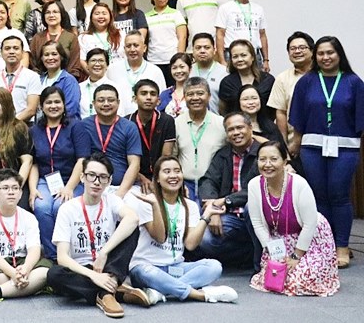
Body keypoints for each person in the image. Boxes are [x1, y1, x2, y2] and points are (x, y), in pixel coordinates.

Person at [290, 36, 364, 268]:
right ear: (315, 56)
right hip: (312, 147)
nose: (325, 57)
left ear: (339, 54)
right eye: (321, 53)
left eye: (330, 52)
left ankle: (342, 246)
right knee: (319, 197)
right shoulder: (307, 82)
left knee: (340, 196)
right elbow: (297, 117)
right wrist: (294, 145)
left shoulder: (353, 82)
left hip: (345, 147)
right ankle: (325, 244)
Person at [47, 153, 147, 318]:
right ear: (82, 177)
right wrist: (94, 276)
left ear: (109, 181)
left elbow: (133, 218)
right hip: (82, 270)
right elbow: (62, 258)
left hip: (108, 266)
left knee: (131, 228)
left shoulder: (111, 200)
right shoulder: (67, 208)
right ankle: (112, 291)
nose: (96, 182)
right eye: (91, 176)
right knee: (53, 275)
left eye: (102, 177)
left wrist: (104, 252)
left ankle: (108, 287)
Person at [127, 156, 238, 304]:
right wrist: (155, 206)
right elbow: (159, 237)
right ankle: (199, 294)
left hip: (175, 267)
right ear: (158, 179)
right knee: (143, 272)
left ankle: (161, 291)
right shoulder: (147, 202)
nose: (173, 175)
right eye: (167, 171)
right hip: (148, 266)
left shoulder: (190, 205)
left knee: (214, 266)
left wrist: (206, 216)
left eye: (177, 171)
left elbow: (190, 245)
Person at [247, 141, 339, 296]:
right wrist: (272, 251)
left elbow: (310, 224)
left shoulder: (299, 184)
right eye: (262, 159)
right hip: (280, 241)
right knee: (274, 279)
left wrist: (296, 256)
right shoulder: (254, 185)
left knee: (299, 281)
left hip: (311, 239)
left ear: (284, 161)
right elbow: (257, 223)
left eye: (273, 159)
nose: (267, 164)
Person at [0, 169, 52, 305]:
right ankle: (33, 287)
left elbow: (34, 250)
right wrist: (13, 274)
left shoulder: (29, 218)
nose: (11, 192)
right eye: (5, 188)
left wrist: (26, 268)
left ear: (21, 193)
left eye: (15, 188)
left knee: (45, 271)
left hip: (21, 261)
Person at [28, 87, 90, 260]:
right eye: (49, 102)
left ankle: (69, 254)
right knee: (41, 207)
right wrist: (33, 189)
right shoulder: (34, 130)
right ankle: (52, 256)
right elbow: (33, 163)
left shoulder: (76, 126)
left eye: (57, 102)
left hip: (73, 180)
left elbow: (82, 160)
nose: (53, 106)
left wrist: (69, 188)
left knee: (60, 206)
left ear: (64, 104)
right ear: (41, 106)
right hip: (45, 180)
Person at [196, 112, 263, 270]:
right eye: (231, 129)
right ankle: (249, 253)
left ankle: (259, 264)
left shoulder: (262, 153)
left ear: (250, 128)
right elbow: (208, 181)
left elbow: (259, 188)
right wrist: (213, 208)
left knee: (250, 208)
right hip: (231, 217)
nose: (236, 133)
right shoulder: (223, 154)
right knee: (204, 240)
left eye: (240, 127)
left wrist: (227, 200)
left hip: (258, 217)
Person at [70, 84, 142, 198]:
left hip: (122, 187)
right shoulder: (83, 126)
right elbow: (80, 159)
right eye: (101, 100)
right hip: (89, 185)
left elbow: (134, 164)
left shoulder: (129, 127)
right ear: (93, 104)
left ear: (118, 103)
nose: (106, 104)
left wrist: (120, 194)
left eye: (111, 100)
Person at [173, 77, 227, 201]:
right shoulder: (176, 123)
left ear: (208, 96)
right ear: (184, 98)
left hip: (213, 185)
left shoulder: (221, 123)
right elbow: (172, 156)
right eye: (190, 94)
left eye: (200, 93)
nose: (195, 98)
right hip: (184, 185)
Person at [0, 88, 33, 209]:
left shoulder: (19, 128)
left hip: (18, 181)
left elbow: (27, 161)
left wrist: (16, 186)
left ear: (7, 105)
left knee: (21, 206)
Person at [268, 31, 314, 158]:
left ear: (312, 51)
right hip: (293, 143)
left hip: (319, 140)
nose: (297, 51)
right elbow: (280, 112)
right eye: (292, 48)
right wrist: (284, 144)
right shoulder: (282, 78)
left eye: (302, 48)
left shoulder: (323, 76)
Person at [126, 80, 176, 191]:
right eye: (143, 93)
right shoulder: (126, 122)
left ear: (158, 101)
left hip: (160, 175)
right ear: (135, 99)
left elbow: (166, 156)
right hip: (133, 176)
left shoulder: (167, 120)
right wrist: (140, 177)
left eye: (153, 94)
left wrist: (157, 179)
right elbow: (123, 158)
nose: (148, 97)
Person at [215, 0, 269, 71]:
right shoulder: (225, 8)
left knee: (257, 84)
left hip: (254, 54)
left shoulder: (258, 9)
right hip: (233, 54)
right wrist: (222, 60)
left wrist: (266, 60)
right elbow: (220, 35)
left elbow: (262, 35)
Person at [107, 31, 166, 116]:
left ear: (144, 48)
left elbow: (161, 101)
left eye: (136, 45)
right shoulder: (112, 70)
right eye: (128, 46)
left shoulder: (155, 71)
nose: (132, 49)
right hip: (118, 121)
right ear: (124, 49)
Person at [29, 0, 85, 81]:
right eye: (48, 12)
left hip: (65, 83)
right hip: (40, 82)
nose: (51, 15)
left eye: (55, 12)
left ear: (62, 14)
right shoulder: (37, 38)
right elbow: (32, 64)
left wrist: (63, 81)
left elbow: (74, 66)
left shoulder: (71, 37)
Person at [218, 39, 275, 117]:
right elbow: (223, 110)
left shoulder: (268, 80)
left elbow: (275, 108)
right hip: (236, 126)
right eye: (235, 56)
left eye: (243, 55)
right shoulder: (227, 83)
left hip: (265, 126)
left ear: (252, 57)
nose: (240, 59)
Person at [146, 0, 188, 86]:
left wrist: (179, 58)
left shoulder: (175, 14)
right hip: (153, 61)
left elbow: (182, 37)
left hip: (172, 60)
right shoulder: (146, 16)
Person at [36, 40, 79, 121]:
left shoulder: (69, 80)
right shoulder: (38, 80)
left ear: (61, 57)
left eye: (54, 54)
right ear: (41, 58)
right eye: (46, 55)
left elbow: (70, 109)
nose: (50, 58)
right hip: (42, 127)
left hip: (64, 127)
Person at [79, 49, 124, 119]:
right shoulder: (79, 88)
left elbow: (120, 114)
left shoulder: (114, 87)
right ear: (87, 65)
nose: (97, 64)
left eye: (101, 61)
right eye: (93, 60)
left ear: (107, 65)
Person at [189, 33, 227, 113]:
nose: (202, 51)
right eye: (198, 48)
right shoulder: (187, 71)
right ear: (193, 50)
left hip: (218, 120)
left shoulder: (224, 72)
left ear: (214, 50)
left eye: (207, 48)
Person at [157, 53, 193, 118]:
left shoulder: (197, 92)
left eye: (182, 67)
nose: (178, 71)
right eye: (174, 68)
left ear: (190, 69)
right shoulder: (165, 94)